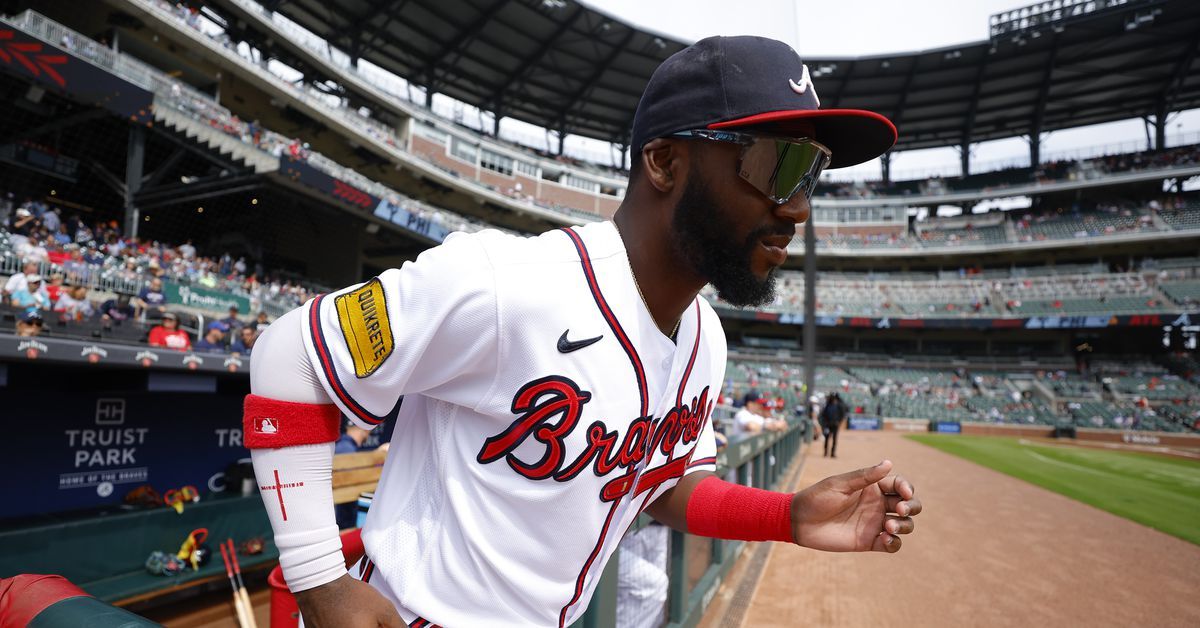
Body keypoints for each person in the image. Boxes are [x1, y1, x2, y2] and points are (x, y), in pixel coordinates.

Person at [243, 36, 920, 627]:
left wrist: (787, 516)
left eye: (814, 176)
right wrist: (318, 577)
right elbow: (288, 356)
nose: (797, 210)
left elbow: (659, 484)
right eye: (779, 166)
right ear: (664, 162)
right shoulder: (507, 283)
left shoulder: (705, 340)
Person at [820, 392, 848, 458]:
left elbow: (842, 415)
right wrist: (824, 423)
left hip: (835, 425)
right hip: (828, 425)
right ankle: (826, 452)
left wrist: (839, 422)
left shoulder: (838, 405)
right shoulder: (827, 405)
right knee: (827, 439)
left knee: (834, 439)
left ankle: (832, 453)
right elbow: (823, 415)